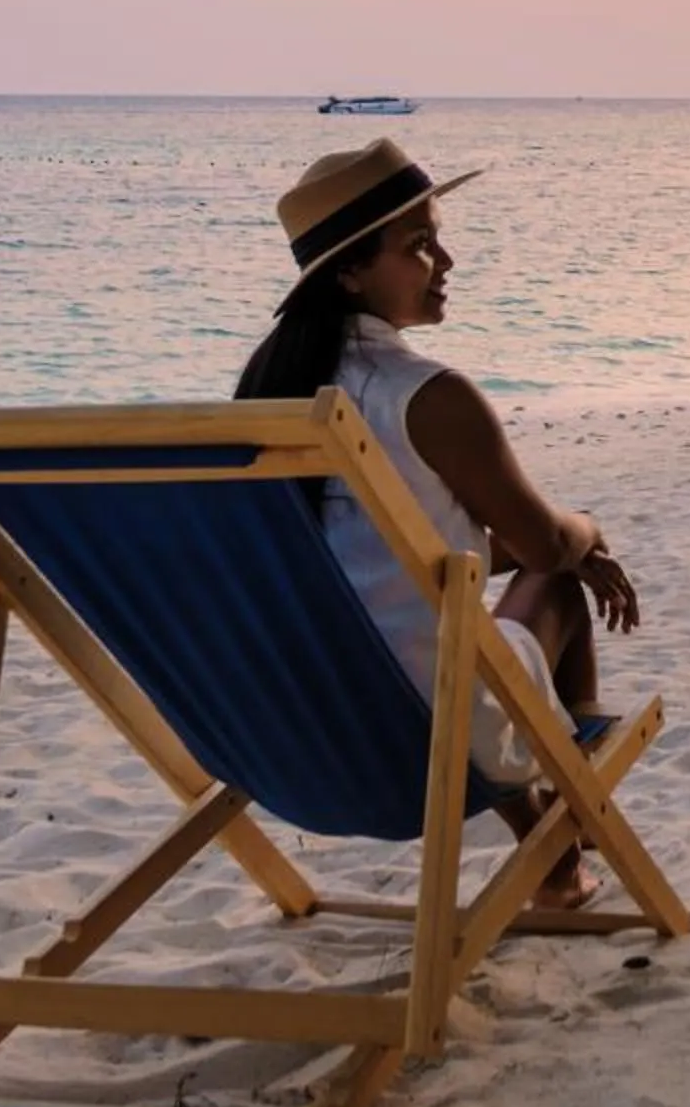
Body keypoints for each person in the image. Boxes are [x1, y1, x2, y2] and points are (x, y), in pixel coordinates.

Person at [238, 136, 637, 905]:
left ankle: (556, 834)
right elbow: (545, 544)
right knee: (550, 593)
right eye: (420, 245)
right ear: (351, 270)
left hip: (291, 732)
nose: (445, 262)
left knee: (456, 633)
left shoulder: (266, 393)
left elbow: (385, 553)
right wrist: (585, 532)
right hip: (423, 739)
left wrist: (532, 548)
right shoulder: (427, 396)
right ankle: (564, 822)